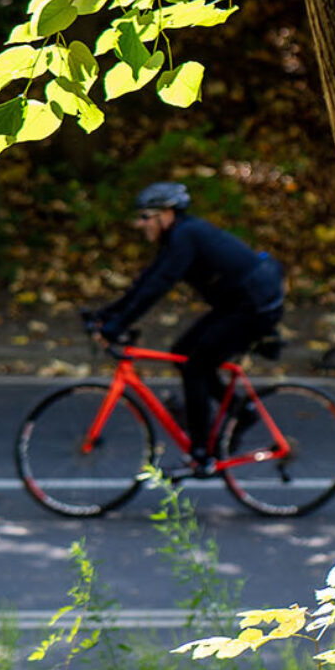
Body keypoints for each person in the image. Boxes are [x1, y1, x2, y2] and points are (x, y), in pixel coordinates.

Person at [88, 181, 285, 473]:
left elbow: (158, 286)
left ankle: (201, 452)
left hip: (255, 307)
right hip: (238, 303)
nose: (139, 224)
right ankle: (239, 414)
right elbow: (147, 280)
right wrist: (107, 314)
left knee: (196, 366)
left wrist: (117, 326)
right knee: (182, 352)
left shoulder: (186, 236)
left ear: (166, 214)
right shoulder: (179, 236)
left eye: (145, 217)